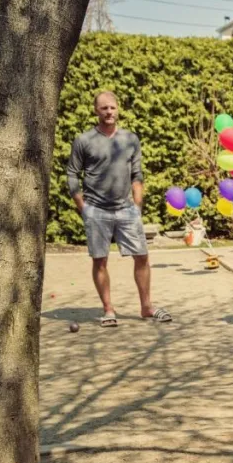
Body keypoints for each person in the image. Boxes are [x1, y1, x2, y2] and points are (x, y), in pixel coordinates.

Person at [66, 91, 172, 327]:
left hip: (126, 209)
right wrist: (83, 207)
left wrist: (137, 205)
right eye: (104, 108)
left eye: (112, 107)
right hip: (96, 210)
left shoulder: (130, 139)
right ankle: (108, 309)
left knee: (142, 257)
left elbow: (137, 175)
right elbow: (73, 173)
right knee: (100, 260)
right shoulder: (83, 140)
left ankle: (146, 307)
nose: (109, 112)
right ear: (96, 111)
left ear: (118, 109)